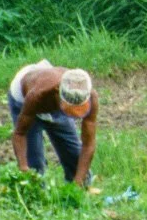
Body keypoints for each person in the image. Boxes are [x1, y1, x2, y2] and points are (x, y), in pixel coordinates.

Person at [8, 59, 98, 188]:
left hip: (53, 97)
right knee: (33, 167)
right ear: (58, 93)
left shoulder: (88, 96)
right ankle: (37, 195)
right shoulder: (37, 95)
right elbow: (20, 134)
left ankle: (80, 192)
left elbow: (88, 144)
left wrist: (78, 182)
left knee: (76, 162)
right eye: (69, 108)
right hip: (25, 102)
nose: (73, 113)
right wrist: (23, 167)